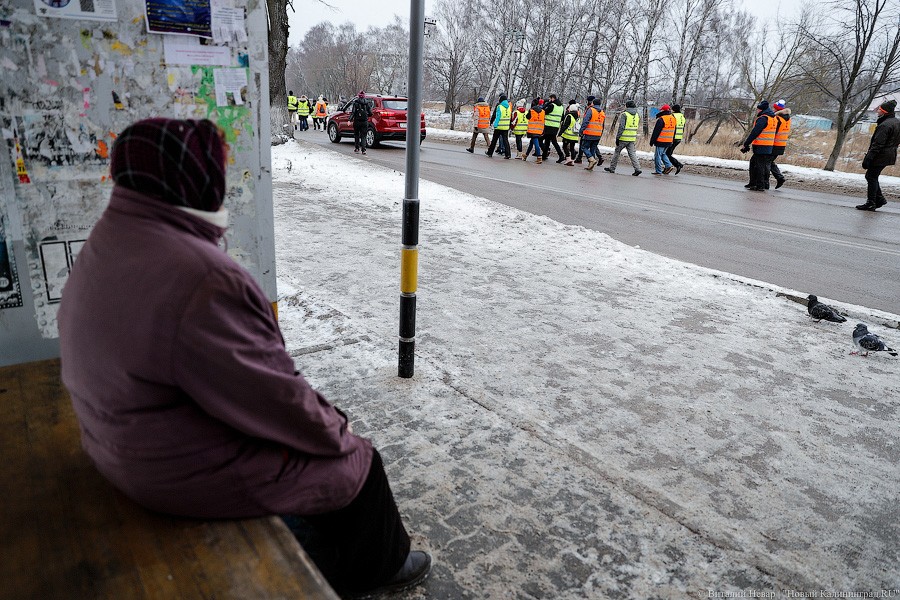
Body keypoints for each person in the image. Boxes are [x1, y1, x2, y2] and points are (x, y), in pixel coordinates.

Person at [56, 118, 431, 597]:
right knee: (357, 466)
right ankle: (370, 571)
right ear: (197, 179)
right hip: (164, 469)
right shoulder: (202, 278)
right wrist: (338, 429)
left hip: (119, 439)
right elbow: (274, 395)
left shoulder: (113, 238)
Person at [857, 99, 899, 211]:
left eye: (879, 110)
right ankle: (879, 199)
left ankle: (872, 202)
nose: (877, 112)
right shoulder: (896, 122)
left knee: (870, 176)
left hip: (881, 155)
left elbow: (877, 144)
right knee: (872, 176)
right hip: (890, 154)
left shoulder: (885, 125)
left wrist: (868, 158)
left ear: (885, 112)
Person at [740, 100, 777, 191]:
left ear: (761, 110)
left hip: (761, 145)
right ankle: (758, 183)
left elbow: (755, 132)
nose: (757, 111)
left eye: (758, 109)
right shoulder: (773, 118)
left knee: (758, 166)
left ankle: (759, 185)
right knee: (759, 164)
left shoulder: (763, 119)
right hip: (769, 146)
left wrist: (746, 143)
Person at [604, 100, 642, 176]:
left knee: (617, 152)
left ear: (627, 106)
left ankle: (612, 168)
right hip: (632, 138)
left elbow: (621, 127)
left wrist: (618, 138)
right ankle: (637, 169)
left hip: (623, 138)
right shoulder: (637, 114)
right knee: (632, 154)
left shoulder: (624, 114)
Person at [768, 99, 790, 189]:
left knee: (767, 162)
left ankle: (779, 178)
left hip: (774, 144)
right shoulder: (787, 119)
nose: (773, 110)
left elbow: (773, 132)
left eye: (774, 108)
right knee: (769, 161)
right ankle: (779, 178)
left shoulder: (777, 119)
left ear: (777, 110)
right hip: (781, 144)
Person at [579, 97, 605, 170]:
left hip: (589, 133)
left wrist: (581, 130)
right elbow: (603, 124)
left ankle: (591, 160)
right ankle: (591, 165)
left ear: (593, 103)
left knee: (584, 147)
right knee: (592, 149)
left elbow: (585, 121)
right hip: (598, 134)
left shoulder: (591, 110)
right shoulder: (602, 112)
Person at [540, 94, 566, 163]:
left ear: (552, 98)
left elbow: (543, 111)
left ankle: (561, 155)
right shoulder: (561, 107)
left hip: (548, 126)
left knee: (541, 139)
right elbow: (562, 118)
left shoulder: (552, 105)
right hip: (556, 126)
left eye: (550, 99)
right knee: (548, 141)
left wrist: (548, 103)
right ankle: (544, 155)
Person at [650, 104, 675, 175]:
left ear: (663, 110)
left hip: (661, 140)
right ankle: (669, 165)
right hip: (669, 140)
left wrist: (652, 141)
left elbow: (656, 132)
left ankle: (658, 171)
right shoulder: (673, 118)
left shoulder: (661, 119)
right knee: (663, 154)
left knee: (657, 156)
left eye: (661, 110)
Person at [485, 93, 511, 159]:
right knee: (505, 140)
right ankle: (508, 154)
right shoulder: (508, 107)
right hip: (506, 126)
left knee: (494, 140)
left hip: (499, 126)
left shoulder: (499, 106)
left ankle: (490, 152)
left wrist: (494, 124)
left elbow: (498, 116)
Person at [522, 97, 544, 163]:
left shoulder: (531, 110)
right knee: (531, 143)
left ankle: (539, 157)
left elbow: (527, 117)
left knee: (536, 145)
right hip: (540, 130)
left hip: (532, 129)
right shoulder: (543, 111)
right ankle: (526, 155)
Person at [574, 95, 594, 164]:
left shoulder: (590, 109)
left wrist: (581, 130)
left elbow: (586, 121)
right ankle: (593, 160)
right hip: (594, 132)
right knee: (593, 146)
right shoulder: (595, 110)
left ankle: (581, 158)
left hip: (587, 130)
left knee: (583, 146)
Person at [666, 104, 685, 174]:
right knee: (668, 153)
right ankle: (667, 167)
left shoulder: (673, 116)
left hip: (672, 138)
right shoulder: (682, 117)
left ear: (673, 110)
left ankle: (678, 165)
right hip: (679, 138)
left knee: (666, 154)